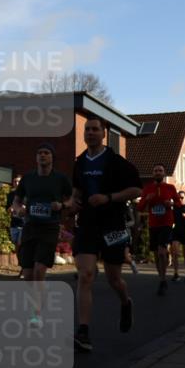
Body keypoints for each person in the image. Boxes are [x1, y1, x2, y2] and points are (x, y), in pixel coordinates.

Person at [70, 117, 142, 352]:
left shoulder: (116, 162)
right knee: (86, 274)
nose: (90, 133)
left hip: (113, 224)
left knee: (113, 278)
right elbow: (76, 191)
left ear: (103, 133)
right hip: (88, 224)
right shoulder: (79, 162)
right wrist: (74, 202)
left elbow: (136, 189)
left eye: (95, 129)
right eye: (87, 129)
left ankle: (125, 302)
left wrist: (109, 198)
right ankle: (83, 332)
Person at [11, 143, 72, 328]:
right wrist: (17, 209)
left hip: (50, 228)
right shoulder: (28, 178)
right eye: (39, 153)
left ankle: (35, 313)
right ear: (36, 157)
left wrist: (62, 206)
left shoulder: (60, 178)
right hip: (30, 227)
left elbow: (70, 199)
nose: (42, 156)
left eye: (46, 153)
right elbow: (17, 199)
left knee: (39, 270)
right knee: (28, 274)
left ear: (52, 157)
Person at [137, 163, 179, 295]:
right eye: (156, 171)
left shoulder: (170, 187)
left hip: (166, 223)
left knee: (161, 251)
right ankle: (162, 279)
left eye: (160, 170)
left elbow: (178, 203)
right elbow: (139, 208)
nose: (158, 172)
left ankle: (163, 278)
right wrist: (146, 200)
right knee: (156, 254)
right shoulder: (148, 188)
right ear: (153, 174)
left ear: (164, 173)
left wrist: (171, 203)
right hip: (153, 224)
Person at [170, 191, 185, 283]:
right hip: (176, 232)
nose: (180, 199)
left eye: (182, 197)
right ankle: (176, 273)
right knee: (175, 252)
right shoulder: (175, 208)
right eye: (178, 198)